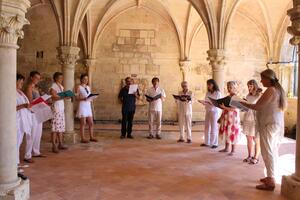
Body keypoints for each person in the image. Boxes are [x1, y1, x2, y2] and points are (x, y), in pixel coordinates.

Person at [242, 69, 286, 191]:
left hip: (269, 124)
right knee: (271, 150)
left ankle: (271, 180)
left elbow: (257, 106)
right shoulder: (277, 90)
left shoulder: (271, 90)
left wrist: (240, 103)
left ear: (268, 78)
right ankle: (270, 176)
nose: (261, 81)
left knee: (268, 152)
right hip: (273, 124)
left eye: (262, 78)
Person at [24, 71, 45, 163]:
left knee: (38, 133)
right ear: (31, 77)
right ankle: (27, 155)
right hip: (32, 112)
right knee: (31, 134)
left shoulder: (36, 88)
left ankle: (36, 151)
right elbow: (30, 101)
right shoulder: (29, 87)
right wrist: (40, 100)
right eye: (36, 77)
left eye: (39, 78)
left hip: (38, 112)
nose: (37, 79)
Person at [16, 73, 32, 179]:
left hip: (23, 120)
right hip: (16, 120)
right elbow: (9, 107)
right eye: (20, 81)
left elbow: (27, 103)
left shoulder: (20, 92)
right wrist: (24, 105)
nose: (22, 83)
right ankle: (13, 166)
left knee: (19, 142)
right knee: (15, 143)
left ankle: (16, 164)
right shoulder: (10, 92)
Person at [242, 80, 262, 164]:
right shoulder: (248, 96)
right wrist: (241, 105)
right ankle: (249, 155)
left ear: (255, 86)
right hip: (247, 118)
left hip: (255, 119)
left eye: (250, 86)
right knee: (248, 138)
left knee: (256, 139)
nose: (249, 88)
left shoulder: (260, 96)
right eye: (248, 86)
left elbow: (261, 107)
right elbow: (246, 107)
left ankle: (256, 157)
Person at [219, 81, 241, 156]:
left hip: (233, 118)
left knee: (232, 132)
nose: (229, 88)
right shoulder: (228, 97)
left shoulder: (236, 97)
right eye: (228, 87)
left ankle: (233, 150)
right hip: (227, 116)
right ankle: (226, 148)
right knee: (227, 132)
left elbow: (234, 108)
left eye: (230, 87)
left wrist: (224, 107)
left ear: (235, 88)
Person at [199, 79, 222, 148]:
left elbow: (219, 103)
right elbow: (206, 101)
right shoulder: (208, 93)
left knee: (214, 127)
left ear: (213, 84)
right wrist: (203, 102)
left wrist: (210, 103)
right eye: (207, 84)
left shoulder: (218, 93)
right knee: (207, 126)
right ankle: (207, 142)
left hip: (215, 111)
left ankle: (215, 143)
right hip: (208, 110)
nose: (208, 86)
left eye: (210, 84)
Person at [76, 74, 98, 143]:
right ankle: (82, 138)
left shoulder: (88, 87)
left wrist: (92, 97)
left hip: (88, 105)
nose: (86, 80)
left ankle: (91, 137)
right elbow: (76, 98)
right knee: (83, 123)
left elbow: (89, 96)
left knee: (91, 123)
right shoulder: (78, 87)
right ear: (81, 79)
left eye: (87, 79)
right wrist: (83, 98)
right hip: (82, 105)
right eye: (85, 79)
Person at [50, 72, 68, 153]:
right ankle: (54, 145)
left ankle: (60, 143)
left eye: (62, 77)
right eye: (60, 78)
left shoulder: (61, 86)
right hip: (56, 108)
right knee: (55, 127)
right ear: (56, 78)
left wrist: (66, 96)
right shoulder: (53, 86)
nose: (61, 79)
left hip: (61, 108)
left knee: (60, 126)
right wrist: (63, 96)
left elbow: (60, 96)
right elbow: (53, 96)